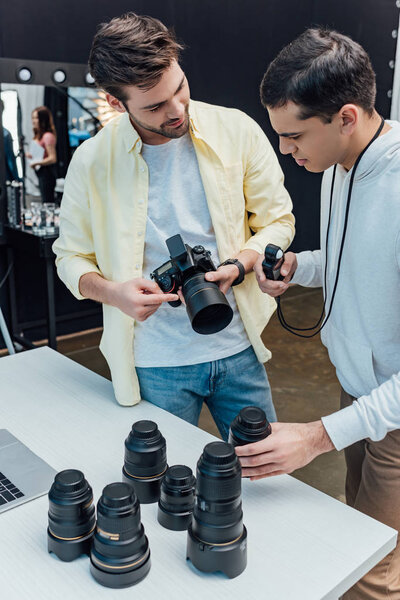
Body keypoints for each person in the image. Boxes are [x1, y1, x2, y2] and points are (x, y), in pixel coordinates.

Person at [52, 12, 295, 440]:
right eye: (155, 105)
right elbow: (70, 257)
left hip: (239, 347)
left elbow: (277, 219)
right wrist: (114, 293)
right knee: (165, 486)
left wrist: (240, 265)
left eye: (179, 87)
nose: (177, 109)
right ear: (115, 102)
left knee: (268, 479)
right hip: (154, 362)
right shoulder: (91, 162)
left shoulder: (236, 129)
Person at [236, 28, 400, 599]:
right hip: (358, 389)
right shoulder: (336, 165)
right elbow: (358, 254)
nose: (286, 150)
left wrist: (316, 438)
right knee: (358, 537)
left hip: (396, 410)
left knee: (370, 573)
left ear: (346, 117)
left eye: (293, 135)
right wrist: (302, 267)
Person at [27, 106, 57, 203]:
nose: (34, 121)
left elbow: (52, 158)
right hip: (41, 173)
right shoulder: (39, 135)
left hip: (47, 174)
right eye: (33, 118)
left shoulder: (47, 136)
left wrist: (36, 163)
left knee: (47, 202)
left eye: (36, 118)